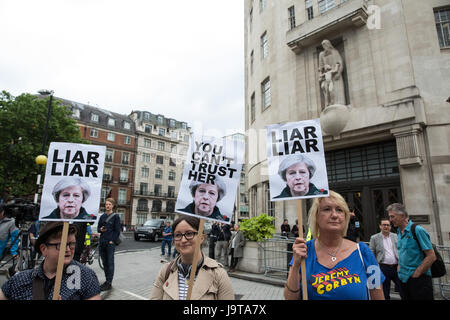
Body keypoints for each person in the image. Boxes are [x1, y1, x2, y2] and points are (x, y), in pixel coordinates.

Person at [284, 191, 385, 300]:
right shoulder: (304, 250)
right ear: (316, 216)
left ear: (345, 217)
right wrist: (295, 266)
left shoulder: (364, 252)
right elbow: (290, 297)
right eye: (327, 209)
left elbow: (377, 293)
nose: (334, 215)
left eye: (339, 210)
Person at [0, 221, 101, 300]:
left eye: (72, 244)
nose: (68, 249)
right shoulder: (20, 280)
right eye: (60, 245)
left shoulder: (86, 277)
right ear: (44, 249)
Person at [150, 216, 234, 300]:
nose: (183, 240)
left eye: (189, 233)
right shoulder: (165, 271)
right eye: (178, 235)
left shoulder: (219, 274)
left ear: (201, 237)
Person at [387, 203, 436, 300]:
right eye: (390, 217)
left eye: (392, 216)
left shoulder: (417, 230)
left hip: (419, 281)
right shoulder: (399, 231)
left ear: (402, 216)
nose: (390, 220)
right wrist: (399, 268)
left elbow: (431, 256)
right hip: (403, 279)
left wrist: (417, 273)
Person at [369, 218, 402, 300]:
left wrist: (400, 263)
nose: (386, 227)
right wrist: (375, 266)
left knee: (402, 289)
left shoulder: (396, 236)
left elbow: (401, 250)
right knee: (385, 292)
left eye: (388, 225)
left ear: (390, 227)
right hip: (383, 267)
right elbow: (371, 252)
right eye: (384, 225)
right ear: (380, 226)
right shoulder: (374, 238)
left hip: (397, 267)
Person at [97, 198, 121, 291]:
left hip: (110, 243)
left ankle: (109, 282)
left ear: (113, 206)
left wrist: (112, 240)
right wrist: (101, 229)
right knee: (104, 263)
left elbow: (117, 231)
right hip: (102, 242)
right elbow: (99, 228)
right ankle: (107, 281)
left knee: (110, 263)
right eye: (106, 204)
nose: (107, 206)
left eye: (109, 204)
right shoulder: (102, 216)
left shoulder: (116, 217)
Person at [318, 39, 345, 109]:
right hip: (327, 76)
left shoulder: (335, 52)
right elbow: (320, 67)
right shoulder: (321, 54)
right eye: (323, 46)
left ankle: (337, 104)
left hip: (335, 75)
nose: (324, 47)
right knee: (326, 89)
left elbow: (340, 63)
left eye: (325, 45)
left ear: (329, 45)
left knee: (335, 91)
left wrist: (339, 73)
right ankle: (328, 104)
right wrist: (321, 75)